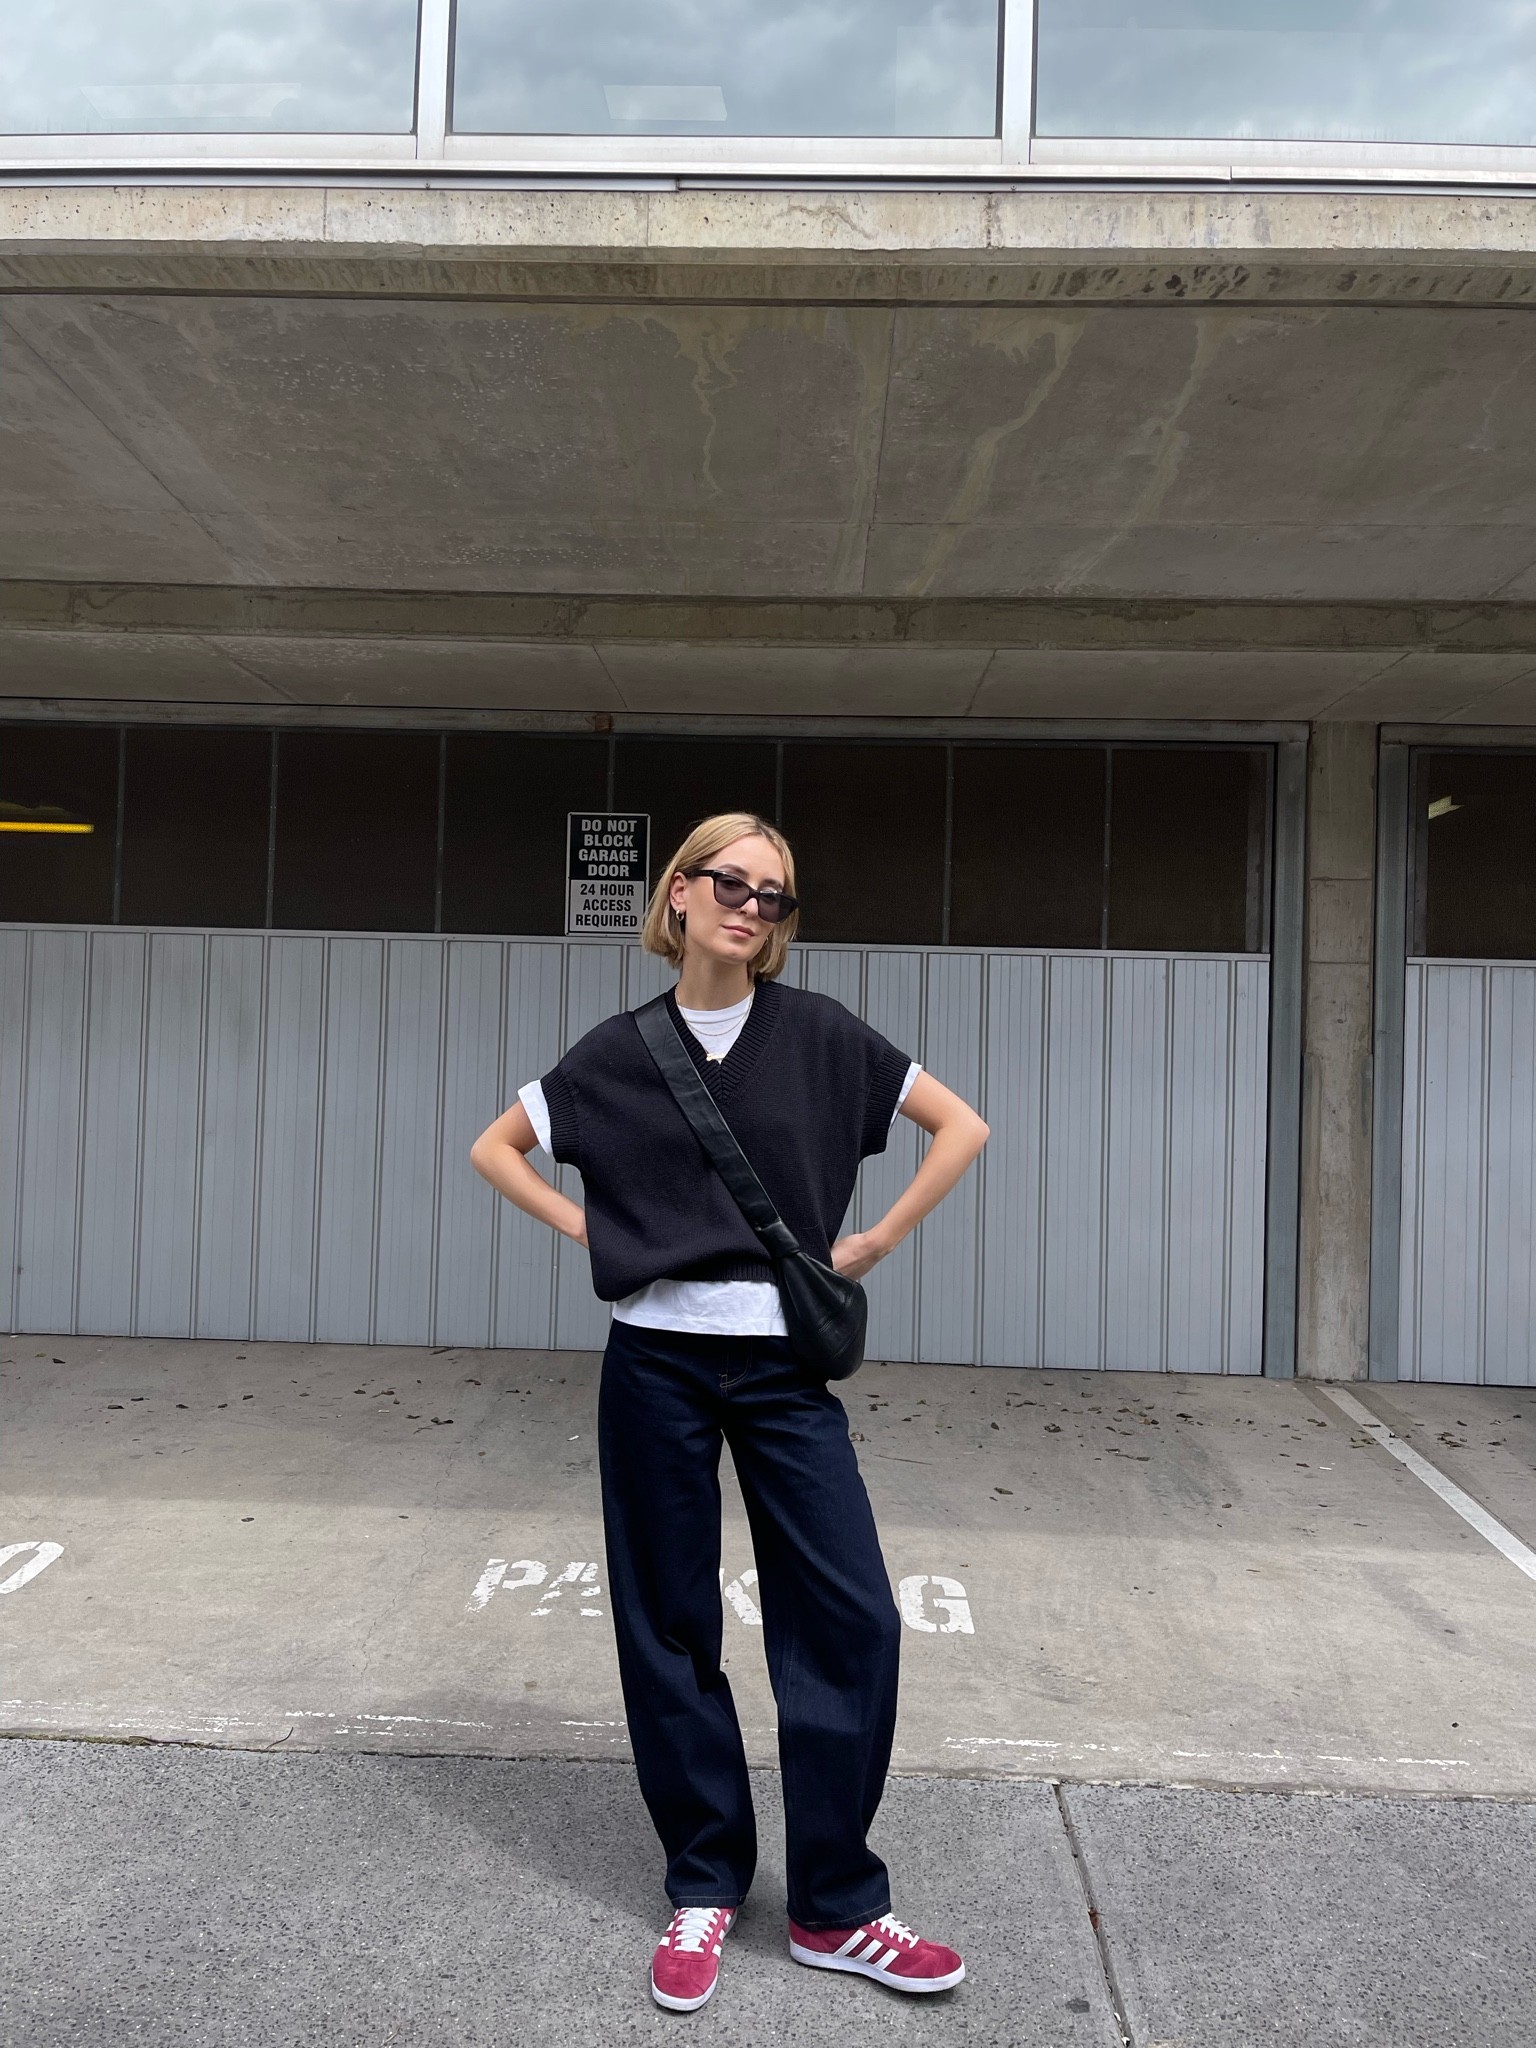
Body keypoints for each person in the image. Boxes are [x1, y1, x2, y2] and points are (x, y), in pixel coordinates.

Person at [471, 811, 989, 2013]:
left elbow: (961, 1124)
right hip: (652, 1362)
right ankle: (704, 1879)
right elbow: (497, 1148)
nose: (754, 906)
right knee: (667, 1619)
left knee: (852, 1615)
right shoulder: (617, 1051)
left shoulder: (819, 1036)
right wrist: (598, 1234)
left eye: (778, 897)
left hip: (780, 1370)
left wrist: (873, 1238)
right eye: (734, 884)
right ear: (682, 895)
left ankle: (837, 1905)